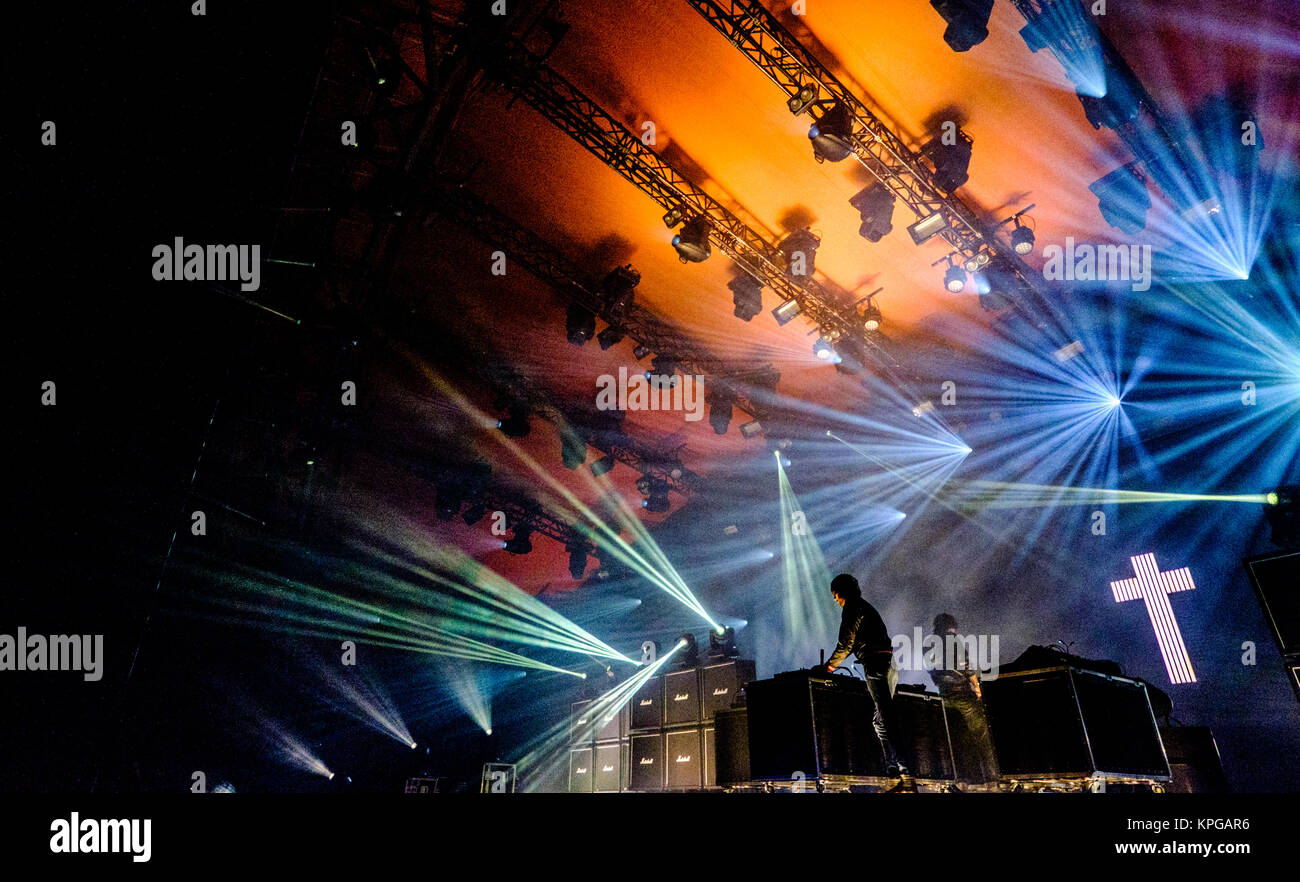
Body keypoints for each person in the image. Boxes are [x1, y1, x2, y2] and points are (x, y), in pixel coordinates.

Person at [822, 573, 914, 792]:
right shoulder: (865, 606)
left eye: (835, 594)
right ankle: (894, 770)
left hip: (875, 664)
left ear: (842, 592)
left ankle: (903, 771)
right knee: (881, 720)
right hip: (889, 663)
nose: (835, 599)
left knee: (886, 718)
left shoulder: (852, 607)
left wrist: (828, 667)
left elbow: (846, 643)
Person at [927, 613, 999, 788]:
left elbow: (931, 671)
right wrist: (977, 687)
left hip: (944, 698)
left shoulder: (929, 645)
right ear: (951, 626)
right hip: (963, 694)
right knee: (982, 736)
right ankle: (991, 778)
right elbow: (966, 667)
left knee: (955, 740)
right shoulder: (952, 641)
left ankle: (962, 780)